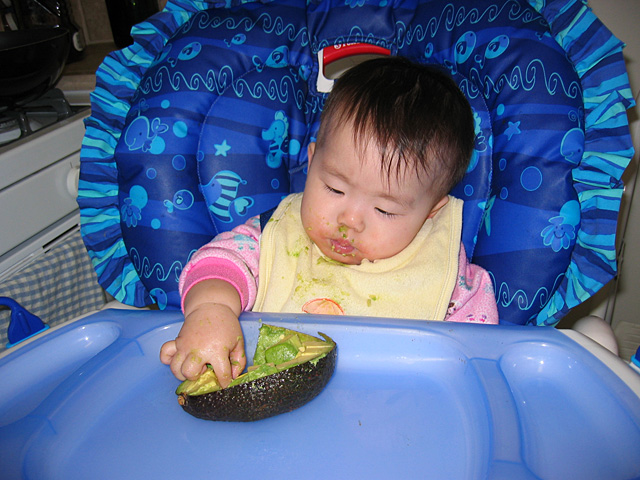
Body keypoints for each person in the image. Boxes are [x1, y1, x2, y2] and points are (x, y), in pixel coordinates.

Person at [160, 56, 498, 387]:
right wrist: (211, 310)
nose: (349, 220)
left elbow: (478, 355)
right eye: (334, 188)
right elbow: (220, 264)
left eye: (384, 210)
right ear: (311, 163)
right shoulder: (275, 236)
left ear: (431, 212)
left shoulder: (446, 275)